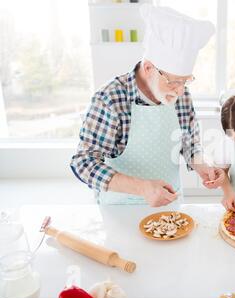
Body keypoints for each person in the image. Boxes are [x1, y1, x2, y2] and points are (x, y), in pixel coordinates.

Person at [70, 5, 224, 206]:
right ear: (149, 68)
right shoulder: (110, 98)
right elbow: (84, 163)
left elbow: (189, 142)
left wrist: (202, 166)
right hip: (120, 206)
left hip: (171, 202)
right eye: (174, 81)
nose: (180, 90)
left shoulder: (181, 94)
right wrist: (142, 188)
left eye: (185, 81)